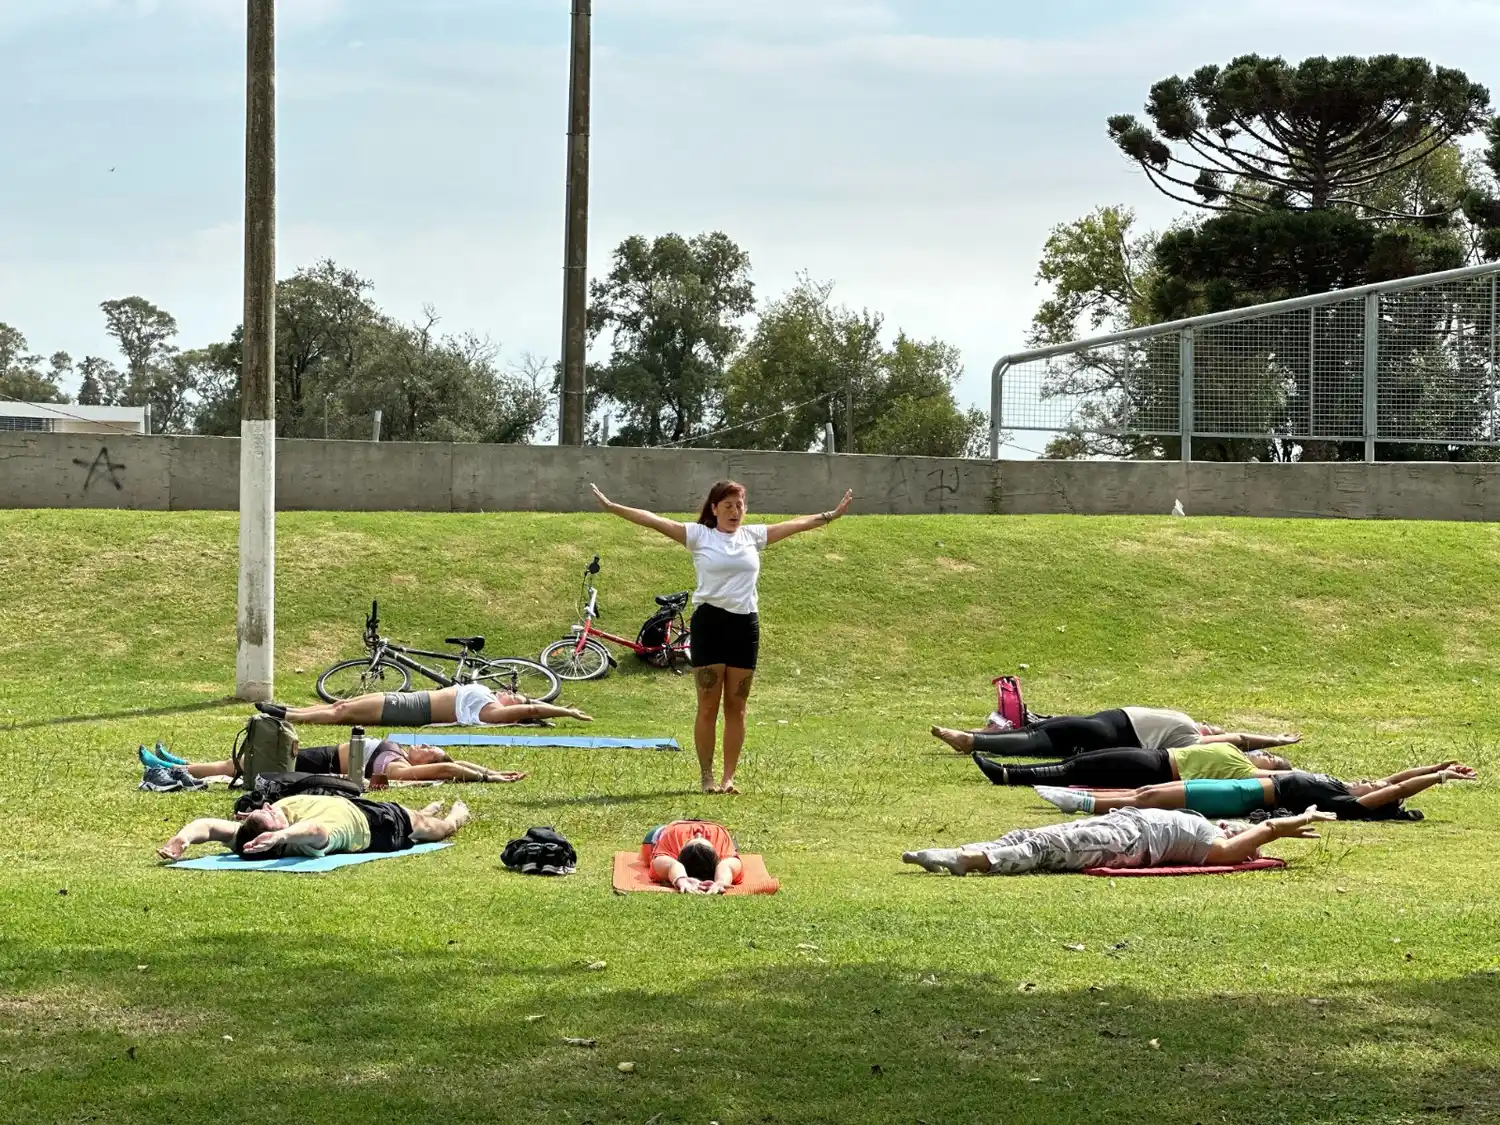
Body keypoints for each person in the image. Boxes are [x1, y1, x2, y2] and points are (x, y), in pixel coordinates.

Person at [592, 479, 854, 794]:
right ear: (714, 509)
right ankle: (707, 777)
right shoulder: (699, 536)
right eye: (727, 506)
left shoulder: (753, 536)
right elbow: (653, 519)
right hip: (710, 625)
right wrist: (612, 507)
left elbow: (796, 524)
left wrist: (831, 515)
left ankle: (729, 778)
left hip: (745, 626)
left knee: (737, 706)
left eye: (739, 506)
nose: (734, 512)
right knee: (707, 706)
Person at [902, 806, 1333, 876]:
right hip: (1120, 823)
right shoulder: (1209, 824)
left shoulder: (1213, 845)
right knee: (1027, 836)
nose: (1243, 832)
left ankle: (962, 860)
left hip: (1126, 840)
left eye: (1250, 842)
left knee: (1041, 851)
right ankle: (963, 853)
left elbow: (1228, 854)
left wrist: (1276, 830)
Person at [1032, 762, 1477, 821]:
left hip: (1243, 798)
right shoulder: (1342, 784)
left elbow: (1397, 789)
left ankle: (1083, 804)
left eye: (1388, 790)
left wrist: (1440, 782)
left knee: (1147, 798)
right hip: (1241, 785)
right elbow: (1400, 779)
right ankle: (1084, 800)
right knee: (1151, 789)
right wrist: (1440, 766)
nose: (1384, 782)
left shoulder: (1347, 801)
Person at [156, 796, 470, 861]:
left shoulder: (247, 836)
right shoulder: (298, 841)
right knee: (434, 828)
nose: (267, 807)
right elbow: (317, 830)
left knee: (418, 814)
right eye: (271, 815)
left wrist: (180, 840)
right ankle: (457, 815)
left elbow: (208, 827)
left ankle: (426, 809)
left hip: (352, 802)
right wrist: (280, 834)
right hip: (380, 825)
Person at [931, 706, 1301, 758]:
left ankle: (972, 741)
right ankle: (974, 737)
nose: (1215, 726)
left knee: (1039, 739)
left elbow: (1236, 740)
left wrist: (1273, 741)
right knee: (1041, 730)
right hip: (1103, 722)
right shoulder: (1184, 723)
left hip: (1107, 732)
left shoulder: (1190, 738)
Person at [138, 738, 526, 786]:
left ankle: (173, 770)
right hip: (322, 753)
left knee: (239, 766)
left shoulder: (398, 767)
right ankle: (181, 763)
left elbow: (447, 768)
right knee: (239, 762)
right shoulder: (400, 752)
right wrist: (490, 769)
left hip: (321, 762)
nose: (425, 745)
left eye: (430, 749)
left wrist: (492, 780)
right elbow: (452, 763)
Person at [254, 683, 591, 728]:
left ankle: (288, 716)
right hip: (411, 699)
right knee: (342, 704)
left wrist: (566, 712)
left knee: (342, 714)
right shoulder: (488, 696)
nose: (515, 695)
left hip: (411, 709)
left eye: (517, 697)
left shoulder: (491, 712)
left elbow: (531, 711)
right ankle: (289, 711)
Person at [970, 743, 1292, 788]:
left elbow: (1284, 777)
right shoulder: (1236, 751)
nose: (1265, 754)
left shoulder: (1246, 772)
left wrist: (1283, 769)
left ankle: (1006, 775)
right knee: (1078, 763)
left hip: (1158, 769)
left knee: (1077, 771)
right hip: (1156, 755)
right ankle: (1008, 770)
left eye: (1271, 758)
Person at [643, 819, 744, 894]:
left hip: (674, 827)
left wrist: (680, 879)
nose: (699, 834)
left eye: (690, 841)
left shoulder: (671, 845)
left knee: (649, 849)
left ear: (679, 854)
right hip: (713, 826)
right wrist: (721, 881)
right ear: (717, 856)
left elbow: (672, 865)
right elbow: (727, 865)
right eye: (705, 840)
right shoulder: (721, 843)